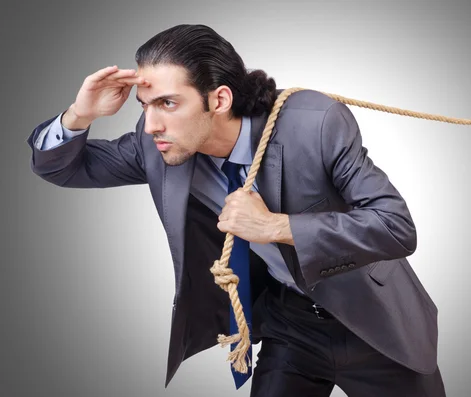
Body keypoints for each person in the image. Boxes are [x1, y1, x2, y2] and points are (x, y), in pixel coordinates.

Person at [26, 24, 446, 396]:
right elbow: (65, 168)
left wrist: (276, 226)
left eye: (168, 104)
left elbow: (395, 227)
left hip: (372, 320)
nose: (152, 124)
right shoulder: (159, 145)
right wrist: (80, 115)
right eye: (145, 106)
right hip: (290, 324)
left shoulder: (314, 124)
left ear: (220, 99)